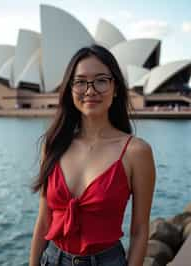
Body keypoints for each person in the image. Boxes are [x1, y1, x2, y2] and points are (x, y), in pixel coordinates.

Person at [29, 44, 156, 266]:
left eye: (100, 80)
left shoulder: (137, 152)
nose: (90, 90)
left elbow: (139, 230)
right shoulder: (53, 144)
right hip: (51, 259)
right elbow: (43, 221)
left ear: (115, 87)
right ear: (70, 89)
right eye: (80, 82)